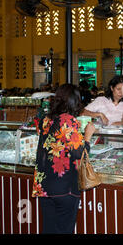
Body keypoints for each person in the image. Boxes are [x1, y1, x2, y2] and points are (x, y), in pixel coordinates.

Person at [32, 84, 96, 234]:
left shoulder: (46, 120)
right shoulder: (68, 120)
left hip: (44, 187)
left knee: (49, 230)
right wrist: (88, 136)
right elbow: (79, 154)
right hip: (64, 187)